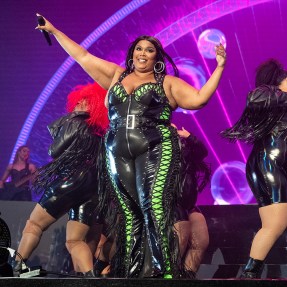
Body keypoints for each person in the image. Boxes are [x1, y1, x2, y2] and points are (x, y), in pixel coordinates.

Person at [35, 13, 226, 278]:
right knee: (129, 211)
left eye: (149, 50)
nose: (143, 53)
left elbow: (199, 99)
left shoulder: (167, 83)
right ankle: (134, 271)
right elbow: (82, 56)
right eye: (139, 48)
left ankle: (164, 272)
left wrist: (218, 67)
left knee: (154, 207)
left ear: (157, 57)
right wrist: (55, 31)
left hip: (155, 147)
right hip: (116, 150)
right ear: (132, 53)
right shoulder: (116, 75)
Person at [13, 82, 109, 277]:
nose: (79, 103)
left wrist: (62, 130)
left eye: (84, 101)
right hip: (93, 188)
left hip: (71, 180)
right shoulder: (101, 134)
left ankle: (17, 266)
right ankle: (90, 276)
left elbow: (54, 151)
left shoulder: (74, 123)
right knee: (74, 241)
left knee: (34, 224)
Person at [221, 59, 287, 279]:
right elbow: (255, 98)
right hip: (269, 163)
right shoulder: (268, 96)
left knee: (275, 223)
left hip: (276, 164)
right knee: (275, 223)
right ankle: (250, 274)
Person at [173, 125, 211, 279]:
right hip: (171, 204)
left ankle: (186, 277)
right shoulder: (158, 152)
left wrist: (189, 137)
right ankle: (170, 276)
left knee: (201, 242)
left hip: (188, 204)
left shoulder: (187, 153)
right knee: (177, 246)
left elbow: (203, 152)